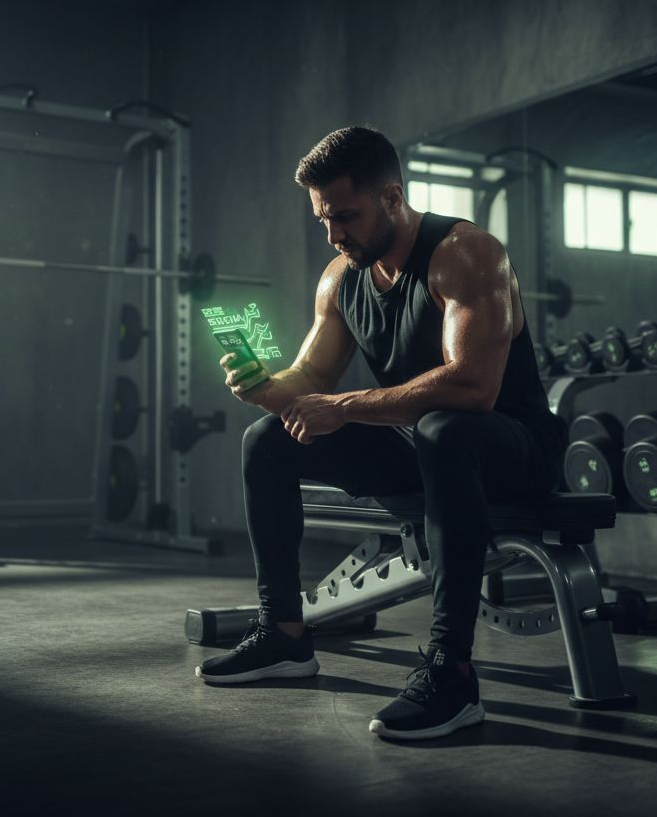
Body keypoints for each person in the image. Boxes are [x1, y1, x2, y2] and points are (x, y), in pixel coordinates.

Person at [194, 126, 566, 741]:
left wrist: (342, 406)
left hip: (513, 445)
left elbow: (475, 388)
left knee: (447, 430)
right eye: (323, 220)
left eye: (346, 215)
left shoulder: (467, 255)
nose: (335, 234)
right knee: (266, 440)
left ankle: (452, 673)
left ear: (392, 198)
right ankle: (285, 637)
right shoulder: (343, 278)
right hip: (420, 441)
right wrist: (259, 384)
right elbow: (310, 377)